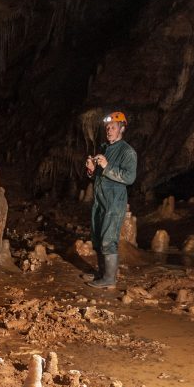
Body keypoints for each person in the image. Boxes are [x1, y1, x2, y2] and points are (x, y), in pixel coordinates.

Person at [84, 111, 137, 288]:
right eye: (107, 128)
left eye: (113, 127)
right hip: (100, 201)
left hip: (114, 202)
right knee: (98, 238)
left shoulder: (127, 152)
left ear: (121, 129)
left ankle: (109, 279)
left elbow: (129, 178)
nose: (109, 130)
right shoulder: (105, 148)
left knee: (108, 239)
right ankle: (101, 274)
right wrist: (92, 170)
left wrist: (106, 166)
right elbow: (100, 177)